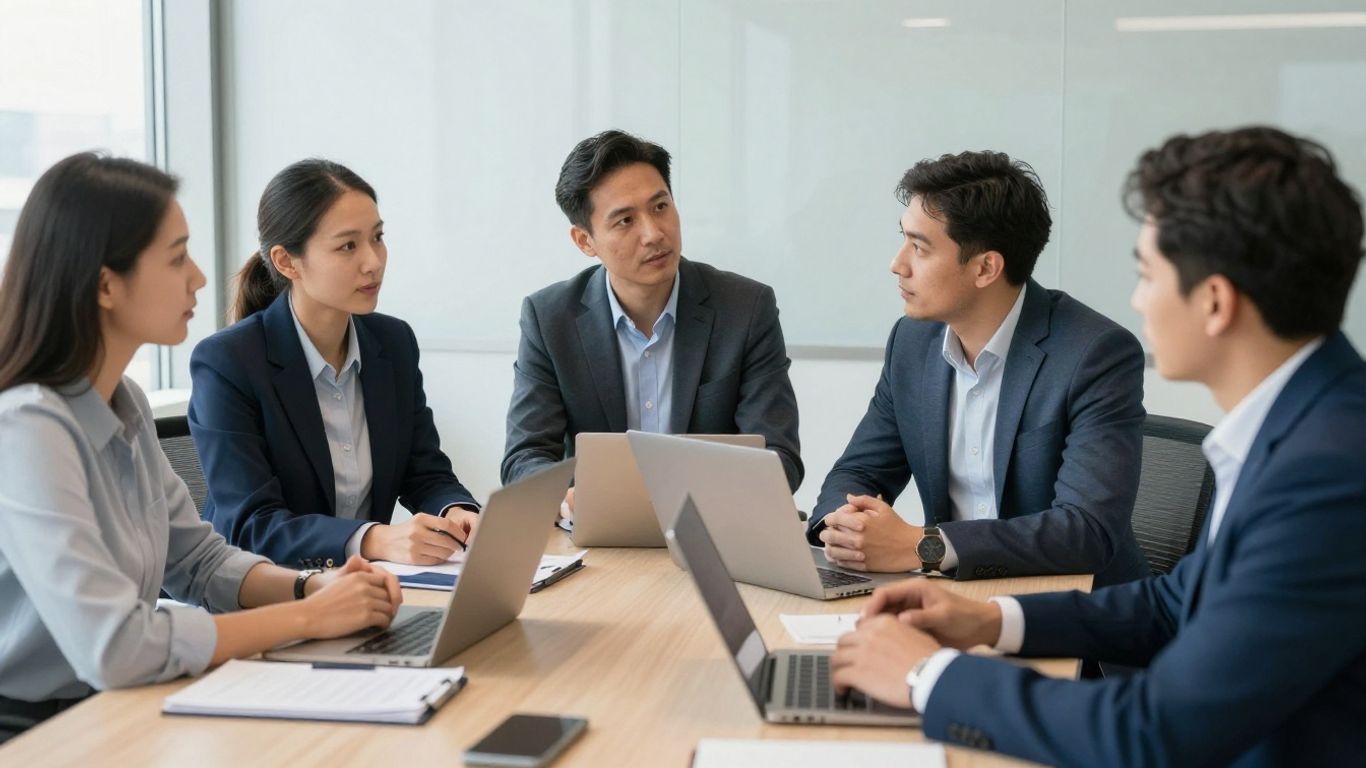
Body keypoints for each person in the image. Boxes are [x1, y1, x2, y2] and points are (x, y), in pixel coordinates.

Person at [830, 126, 1366, 766]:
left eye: (1147, 275)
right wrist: (991, 621)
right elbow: (1175, 604)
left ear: (1215, 302)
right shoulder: (1303, 428)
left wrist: (927, 676)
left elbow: (1154, 733)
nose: (1137, 301)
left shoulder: (1328, 474)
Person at [0, 154, 402, 743]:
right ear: (106, 284)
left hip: (117, 699)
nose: (199, 277)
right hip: (32, 726)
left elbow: (198, 563)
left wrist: (311, 586)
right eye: (175, 257)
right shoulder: (27, 427)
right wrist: (307, 617)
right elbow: (115, 647)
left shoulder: (124, 400)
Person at [809, 150, 1149, 587]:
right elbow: (858, 472)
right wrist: (843, 527)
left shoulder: (1095, 354)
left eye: (919, 247)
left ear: (986, 267)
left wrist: (921, 546)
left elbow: (1085, 530)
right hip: (954, 598)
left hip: (1070, 612)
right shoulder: (912, 343)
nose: (898, 264)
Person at [189, 159, 480, 568]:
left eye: (377, 238)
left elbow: (424, 471)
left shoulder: (393, 343)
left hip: (361, 591)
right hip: (258, 596)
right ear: (287, 262)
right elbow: (252, 525)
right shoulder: (228, 362)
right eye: (348, 245)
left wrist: (456, 512)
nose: (373, 261)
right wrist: (373, 539)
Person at [501, 129, 803, 515]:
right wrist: (568, 499)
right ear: (585, 241)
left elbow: (780, 459)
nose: (654, 233)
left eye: (660, 207)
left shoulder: (745, 309)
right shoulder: (550, 318)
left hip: (716, 530)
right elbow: (524, 458)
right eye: (625, 220)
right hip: (600, 540)